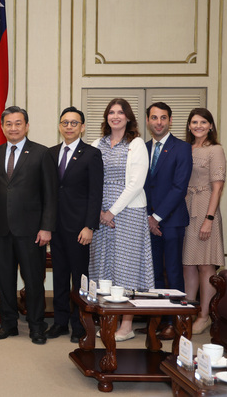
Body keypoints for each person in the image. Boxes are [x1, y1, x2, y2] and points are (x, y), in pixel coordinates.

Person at [0, 106, 57, 345]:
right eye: (8, 123)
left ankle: (37, 326)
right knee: (5, 279)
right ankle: (8, 324)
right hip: (2, 230)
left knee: (34, 279)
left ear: (26, 126)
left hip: (32, 231)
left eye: (18, 123)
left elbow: (50, 194)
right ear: (2, 126)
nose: (13, 128)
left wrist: (46, 227)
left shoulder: (41, 153)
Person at [89, 98, 153, 342]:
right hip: (101, 211)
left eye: (120, 112)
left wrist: (111, 213)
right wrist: (98, 212)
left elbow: (136, 183)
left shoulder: (135, 144)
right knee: (104, 265)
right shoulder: (98, 143)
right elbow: (91, 179)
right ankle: (109, 319)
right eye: (111, 112)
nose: (115, 116)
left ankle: (126, 324)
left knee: (127, 267)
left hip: (127, 212)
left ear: (128, 117)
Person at [45, 107, 103, 344]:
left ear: (82, 127)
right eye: (65, 123)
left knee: (79, 279)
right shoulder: (50, 153)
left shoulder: (91, 154)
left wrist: (90, 226)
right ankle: (59, 322)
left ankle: (79, 324)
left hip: (79, 228)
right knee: (59, 276)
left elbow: (95, 193)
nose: (69, 127)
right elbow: (48, 192)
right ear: (60, 126)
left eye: (74, 123)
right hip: (55, 226)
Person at [143, 102, 192, 340]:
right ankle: (158, 320)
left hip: (171, 221)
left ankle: (175, 322)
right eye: (154, 118)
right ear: (148, 121)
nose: (158, 122)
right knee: (154, 274)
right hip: (148, 221)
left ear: (170, 120)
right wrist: (147, 217)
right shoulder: (143, 148)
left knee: (173, 272)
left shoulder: (182, 148)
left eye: (163, 118)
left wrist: (157, 216)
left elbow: (179, 187)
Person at [182, 108, 225, 335]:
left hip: (205, 206)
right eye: (194, 122)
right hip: (186, 208)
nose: (198, 126)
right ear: (189, 126)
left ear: (210, 126)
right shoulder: (185, 148)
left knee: (205, 264)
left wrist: (209, 219)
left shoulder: (215, 150)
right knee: (188, 263)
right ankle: (189, 310)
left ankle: (205, 315)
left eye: (203, 122)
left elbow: (218, 187)